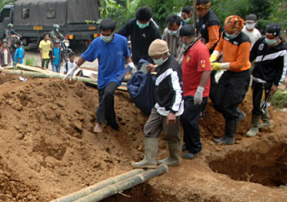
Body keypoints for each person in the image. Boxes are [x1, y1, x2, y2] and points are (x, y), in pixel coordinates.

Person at [67, 18, 131, 133]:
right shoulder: (96, 43)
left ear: (113, 32)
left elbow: (127, 54)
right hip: (104, 75)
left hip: (120, 73)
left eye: (107, 34)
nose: (105, 36)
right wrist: (75, 67)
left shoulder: (122, 41)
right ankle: (112, 122)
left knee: (109, 92)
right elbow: (85, 56)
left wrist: (131, 64)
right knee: (106, 98)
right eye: (103, 34)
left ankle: (99, 122)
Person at [132, 40, 184, 168]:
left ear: (165, 55)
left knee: (171, 134)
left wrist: (173, 112)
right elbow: (162, 68)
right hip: (160, 105)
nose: (155, 61)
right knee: (150, 129)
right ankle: (149, 159)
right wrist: (154, 68)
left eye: (156, 58)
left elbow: (178, 92)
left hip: (170, 107)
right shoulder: (164, 63)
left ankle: (174, 158)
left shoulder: (173, 69)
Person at [210, 15, 251, 145]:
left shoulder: (244, 41)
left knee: (229, 104)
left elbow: (239, 64)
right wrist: (213, 57)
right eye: (227, 32)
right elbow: (219, 46)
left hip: (240, 75)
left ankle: (229, 136)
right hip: (228, 71)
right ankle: (237, 114)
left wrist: (219, 66)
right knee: (217, 100)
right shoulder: (225, 34)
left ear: (239, 30)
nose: (229, 34)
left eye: (231, 32)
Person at [176, 25, 211, 160]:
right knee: (185, 117)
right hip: (188, 90)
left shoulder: (200, 49)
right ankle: (188, 142)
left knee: (190, 119)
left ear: (184, 37)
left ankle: (195, 147)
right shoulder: (191, 48)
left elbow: (206, 70)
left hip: (196, 92)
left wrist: (200, 90)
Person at [247, 23, 287, 137]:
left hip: (267, 81)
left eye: (271, 37)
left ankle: (254, 126)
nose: (268, 39)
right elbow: (252, 55)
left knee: (258, 103)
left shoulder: (282, 50)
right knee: (258, 100)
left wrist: (276, 84)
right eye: (267, 36)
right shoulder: (261, 41)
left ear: (277, 36)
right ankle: (267, 120)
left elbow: (282, 68)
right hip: (256, 76)